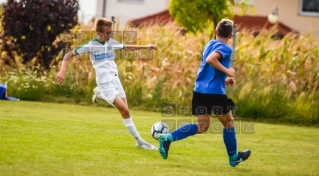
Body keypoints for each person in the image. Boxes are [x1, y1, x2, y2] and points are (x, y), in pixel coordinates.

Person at [158, 19, 251, 166]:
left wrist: (224, 80)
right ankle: (233, 158)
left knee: (202, 126)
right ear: (231, 36)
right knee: (229, 122)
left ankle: (168, 137)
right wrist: (229, 72)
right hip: (214, 94)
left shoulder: (209, 44)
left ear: (215, 32)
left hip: (200, 90)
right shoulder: (226, 48)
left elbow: (209, 69)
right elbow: (211, 60)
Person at [56, 18, 158, 150]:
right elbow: (68, 55)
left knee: (125, 110)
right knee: (125, 111)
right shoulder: (91, 45)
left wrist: (147, 47)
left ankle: (100, 94)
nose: (110, 35)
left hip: (115, 80)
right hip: (105, 82)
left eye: (111, 32)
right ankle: (140, 141)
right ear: (99, 33)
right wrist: (62, 71)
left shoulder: (111, 42)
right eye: (108, 33)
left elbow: (127, 48)